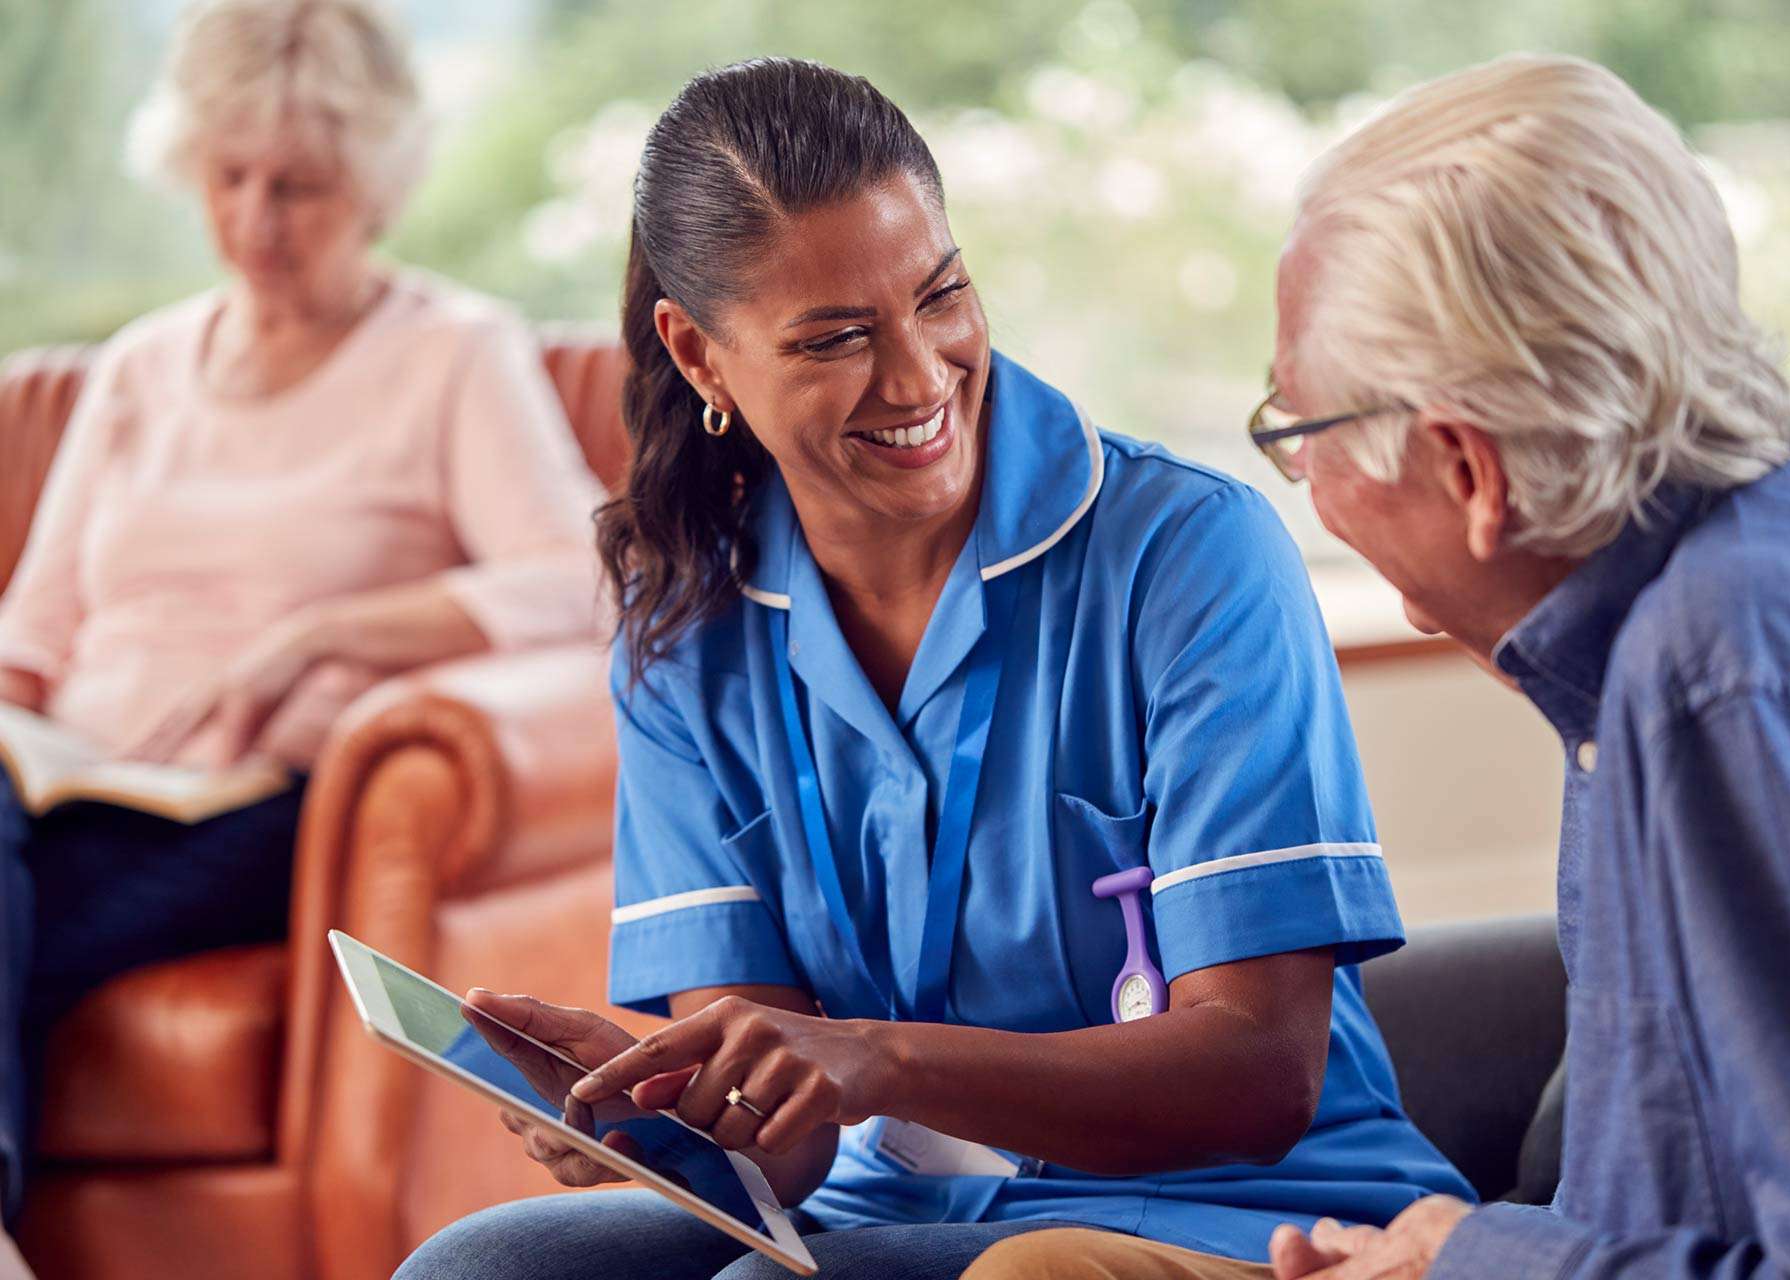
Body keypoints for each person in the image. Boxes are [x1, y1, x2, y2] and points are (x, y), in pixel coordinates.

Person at [395, 57, 1470, 1280]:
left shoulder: (1191, 556)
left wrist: (877, 1054)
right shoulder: (685, 629)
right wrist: (660, 1107)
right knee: (483, 1266)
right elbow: (781, 1156)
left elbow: (1260, 1074)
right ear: (700, 356)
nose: (918, 378)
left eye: (940, 295)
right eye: (837, 338)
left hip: (1239, 1204)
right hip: (882, 1210)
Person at [958, 52, 1790, 1280]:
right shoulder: (1706, 620)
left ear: (1468, 472)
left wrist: (1477, 1258)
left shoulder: (1721, 674)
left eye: (1297, 429)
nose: (1294, 481)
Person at [0, 1, 604, 1268]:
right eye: (230, 179)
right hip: (65, 790)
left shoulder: (452, 355)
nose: (257, 221)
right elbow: (34, 632)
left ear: (378, 186)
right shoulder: (140, 368)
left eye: (301, 188)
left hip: (266, 804)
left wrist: (324, 637)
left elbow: (580, 584)